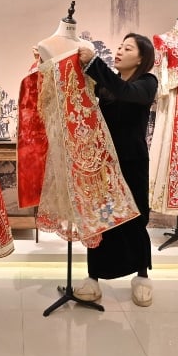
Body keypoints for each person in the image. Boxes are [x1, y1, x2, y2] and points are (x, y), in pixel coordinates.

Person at [74, 33, 158, 307]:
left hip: (132, 162)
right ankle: (93, 277)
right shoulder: (108, 86)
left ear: (141, 58)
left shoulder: (147, 83)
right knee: (101, 220)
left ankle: (142, 276)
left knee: (134, 218)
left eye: (127, 48)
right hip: (103, 164)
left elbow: (126, 93)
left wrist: (95, 64)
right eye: (120, 47)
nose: (120, 51)